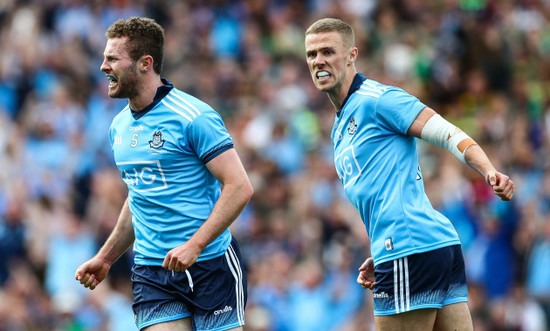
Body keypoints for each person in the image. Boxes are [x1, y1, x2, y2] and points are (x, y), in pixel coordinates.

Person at [304, 18, 515, 331]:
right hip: (422, 246)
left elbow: (447, 133)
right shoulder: (339, 126)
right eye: (311, 54)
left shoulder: (379, 100)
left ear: (351, 55)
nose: (318, 60)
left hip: (408, 247)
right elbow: (383, 191)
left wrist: (488, 170)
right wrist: (381, 251)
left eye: (327, 51)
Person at [75, 17, 253, 331]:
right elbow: (139, 197)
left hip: (210, 263)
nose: (103, 67)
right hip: (152, 271)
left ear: (145, 63)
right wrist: (105, 257)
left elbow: (239, 187)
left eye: (112, 58)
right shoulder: (119, 127)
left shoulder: (193, 117)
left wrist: (195, 245)